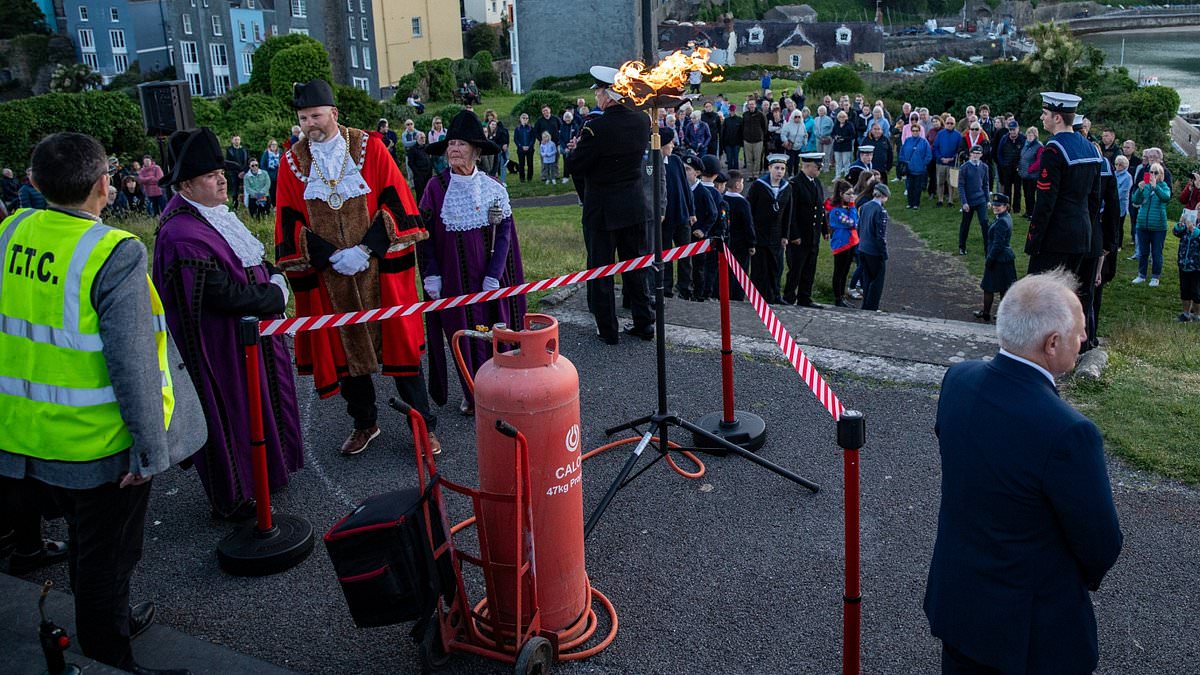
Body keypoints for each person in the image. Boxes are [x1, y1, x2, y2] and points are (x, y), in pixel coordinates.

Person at [0, 132, 188, 674]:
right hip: (95, 443)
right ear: (105, 185)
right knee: (108, 557)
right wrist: (150, 451)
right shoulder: (114, 252)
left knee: (85, 547)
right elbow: (132, 363)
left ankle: (108, 622)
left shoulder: (11, 228)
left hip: (25, 435)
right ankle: (110, 654)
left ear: (33, 182)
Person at [925, 269, 1123, 675]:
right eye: (1079, 332)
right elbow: (1101, 543)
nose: (1084, 339)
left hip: (959, 604)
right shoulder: (1069, 432)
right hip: (1029, 634)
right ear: (1052, 343)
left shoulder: (958, 380)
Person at [274, 79, 439, 455]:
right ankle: (365, 423)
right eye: (303, 118)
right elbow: (288, 218)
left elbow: (397, 200)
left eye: (316, 115)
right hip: (330, 274)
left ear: (333, 113)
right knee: (347, 355)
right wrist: (329, 256)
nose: (310, 124)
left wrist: (365, 250)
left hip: (377, 268)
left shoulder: (370, 147)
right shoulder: (291, 162)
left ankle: (422, 425)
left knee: (401, 353)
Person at [153, 127, 302, 519]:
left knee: (256, 409)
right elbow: (221, 296)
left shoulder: (212, 215)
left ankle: (264, 480)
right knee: (231, 416)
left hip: (246, 342)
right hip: (219, 353)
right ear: (186, 184)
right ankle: (237, 497)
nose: (222, 178)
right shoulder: (182, 233)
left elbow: (249, 260)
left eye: (221, 171)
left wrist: (271, 275)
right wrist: (276, 293)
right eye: (209, 175)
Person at [420, 110, 526, 414]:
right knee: (463, 334)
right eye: (450, 143)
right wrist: (432, 274)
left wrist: (495, 274)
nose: (453, 149)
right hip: (453, 279)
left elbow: (504, 232)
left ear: (476, 151)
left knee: (492, 330)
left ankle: (498, 388)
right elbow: (424, 235)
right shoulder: (435, 188)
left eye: (461, 144)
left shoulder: (493, 186)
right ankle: (473, 391)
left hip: (488, 278)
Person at [565, 65, 655, 345]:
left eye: (599, 92)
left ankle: (607, 329)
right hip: (633, 205)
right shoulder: (642, 121)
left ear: (608, 95)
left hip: (603, 210)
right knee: (636, 267)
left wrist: (575, 149)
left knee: (601, 271)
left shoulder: (596, 128)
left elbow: (576, 165)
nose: (596, 98)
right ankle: (644, 321)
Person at [1026, 92, 1101, 279]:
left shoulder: (1053, 149)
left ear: (1057, 117)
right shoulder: (1091, 148)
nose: (1042, 117)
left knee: (1041, 299)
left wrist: (1034, 240)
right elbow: (1094, 199)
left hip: (1056, 237)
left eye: (1045, 113)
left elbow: (1045, 201)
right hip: (1081, 235)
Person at [746, 154, 792, 304]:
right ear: (769, 168)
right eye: (776, 168)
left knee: (776, 267)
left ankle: (775, 295)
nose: (779, 171)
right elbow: (749, 209)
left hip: (777, 235)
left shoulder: (787, 187)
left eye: (782, 169)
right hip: (760, 233)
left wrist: (785, 235)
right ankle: (758, 296)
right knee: (760, 268)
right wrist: (751, 234)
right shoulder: (758, 186)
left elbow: (788, 213)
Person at [783, 153, 827, 307]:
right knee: (796, 268)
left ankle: (804, 297)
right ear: (807, 166)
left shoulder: (817, 183)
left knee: (809, 268)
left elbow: (820, 207)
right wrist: (793, 234)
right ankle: (789, 296)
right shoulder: (795, 184)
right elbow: (791, 212)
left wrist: (825, 229)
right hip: (800, 235)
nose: (819, 170)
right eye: (817, 167)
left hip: (812, 234)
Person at [659, 127, 695, 299]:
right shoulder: (654, 162)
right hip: (665, 218)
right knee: (665, 255)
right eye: (670, 142)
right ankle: (666, 287)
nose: (673, 145)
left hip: (681, 215)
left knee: (685, 255)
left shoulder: (676, 161)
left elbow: (686, 188)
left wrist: (691, 211)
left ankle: (685, 287)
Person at [974, 193, 1017, 322]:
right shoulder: (1004, 217)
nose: (995, 207)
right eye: (994, 205)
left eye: (999, 205)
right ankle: (1000, 313)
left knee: (989, 287)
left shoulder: (1002, 221)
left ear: (1006, 206)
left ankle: (988, 313)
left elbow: (998, 243)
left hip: (998, 258)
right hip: (1004, 258)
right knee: (1003, 287)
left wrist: (990, 258)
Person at [1130, 162, 1171, 287]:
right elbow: (1135, 201)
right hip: (1142, 224)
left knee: (1156, 253)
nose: (1153, 174)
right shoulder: (1145, 186)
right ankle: (1141, 275)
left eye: (1156, 172)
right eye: (1151, 172)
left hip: (1158, 226)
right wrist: (1139, 189)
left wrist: (1155, 187)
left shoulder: (1164, 186)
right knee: (1143, 252)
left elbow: (1166, 198)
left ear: (1161, 175)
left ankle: (1155, 277)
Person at [722, 170, 756, 301]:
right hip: (741, 244)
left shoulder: (723, 198)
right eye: (742, 182)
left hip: (727, 241)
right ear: (737, 184)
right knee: (740, 272)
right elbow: (748, 224)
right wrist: (751, 243)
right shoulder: (743, 203)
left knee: (727, 270)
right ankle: (737, 296)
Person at [857, 183, 890, 311]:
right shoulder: (881, 211)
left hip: (863, 247)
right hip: (874, 251)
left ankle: (866, 305)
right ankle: (872, 307)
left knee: (867, 278)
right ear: (884, 196)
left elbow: (859, 227)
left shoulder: (865, 207)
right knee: (877, 280)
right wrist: (883, 252)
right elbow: (880, 235)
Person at [827, 179, 859, 308]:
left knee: (845, 271)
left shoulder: (847, 208)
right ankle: (837, 297)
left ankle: (842, 296)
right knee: (839, 271)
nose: (852, 197)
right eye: (848, 194)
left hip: (850, 242)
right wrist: (852, 206)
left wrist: (852, 207)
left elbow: (856, 220)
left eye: (852, 194)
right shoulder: (836, 211)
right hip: (842, 243)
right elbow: (851, 222)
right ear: (841, 194)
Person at [957, 145, 990, 255]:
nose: (976, 155)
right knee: (965, 224)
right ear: (970, 154)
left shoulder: (984, 167)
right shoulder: (964, 167)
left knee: (985, 223)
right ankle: (962, 247)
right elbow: (961, 186)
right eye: (974, 153)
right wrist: (964, 202)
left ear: (981, 155)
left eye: (978, 153)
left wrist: (988, 200)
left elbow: (986, 185)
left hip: (981, 200)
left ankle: (988, 249)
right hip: (969, 201)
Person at [1173, 210, 1200, 321]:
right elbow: (1176, 233)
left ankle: (1197, 315)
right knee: (1184, 290)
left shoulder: (1194, 227)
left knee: (1196, 291)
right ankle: (1186, 314)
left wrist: (1193, 229)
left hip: (1197, 266)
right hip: (1184, 263)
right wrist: (1180, 225)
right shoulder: (1188, 224)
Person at [898, 123, 932, 209]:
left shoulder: (924, 142)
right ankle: (910, 203)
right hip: (909, 169)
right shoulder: (907, 140)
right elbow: (902, 153)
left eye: (917, 131)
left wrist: (922, 164)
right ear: (911, 131)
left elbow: (928, 155)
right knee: (909, 187)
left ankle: (916, 203)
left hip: (919, 169)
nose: (915, 132)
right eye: (913, 131)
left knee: (917, 187)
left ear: (919, 131)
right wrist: (904, 162)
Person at [1017, 126, 1043, 219]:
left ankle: (1032, 213)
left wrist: (1031, 168)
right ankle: (1027, 212)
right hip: (1024, 174)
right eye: (1028, 134)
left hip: (1033, 175)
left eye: (1031, 134)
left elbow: (1039, 160)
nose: (1029, 136)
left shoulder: (1039, 146)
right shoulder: (1026, 144)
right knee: (1026, 194)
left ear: (1035, 136)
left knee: (1030, 195)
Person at [741, 98, 769, 177]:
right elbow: (742, 127)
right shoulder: (745, 115)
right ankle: (750, 175)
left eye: (753, 104)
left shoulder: (761, 115)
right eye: (750, 104)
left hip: (758, 140)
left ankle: (756, 175)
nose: (751, 106)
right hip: (747, 140)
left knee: (757, 159)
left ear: (755, 105)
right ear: (748, 106)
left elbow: (765, 127)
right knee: (749, 160)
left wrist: (761, 135)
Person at [224, 135, 249, 209]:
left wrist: (244, 171)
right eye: (235, 140)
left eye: (238, 139)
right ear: (232, 141)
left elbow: (248, 161)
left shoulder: (244, 150)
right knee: (235, 190)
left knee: (246, 189)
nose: (237, 141)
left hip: (244, 172)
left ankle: (246, 205)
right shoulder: (229, 150)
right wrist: (237, 172)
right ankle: (235, 206)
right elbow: (229, 163)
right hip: (234, 173)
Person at [407, 132, 433, 201]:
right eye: (421, 137)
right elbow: (410, 163)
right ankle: (420, 209)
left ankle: (428, 208)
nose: (423, 139)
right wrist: (417, 173)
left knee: (428, 192)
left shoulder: (427, 147)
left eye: (424, 137)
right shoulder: (412, 149)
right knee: (420, 193)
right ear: (416, 138)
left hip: (428, 173)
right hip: (419, 175)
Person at [831, 110, 856, 178]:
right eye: (840, 117)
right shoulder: (836, 125)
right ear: (838, 118)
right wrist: (835, 137)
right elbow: (832, 134)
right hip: (837, 146)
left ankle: (847, 175)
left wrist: (844, 138)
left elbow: (853, 135)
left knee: (846, 162)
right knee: (838, 162)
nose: (842, 118)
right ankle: (837, 176)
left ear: (846, 117)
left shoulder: (850, 125)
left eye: (843, 117)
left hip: (846, 146)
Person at [513, 112, 535, 183]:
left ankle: (529, 178)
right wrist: (521, 146)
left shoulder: (531, 128)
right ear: (520, 119)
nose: (525, 119)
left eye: (526, 118)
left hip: (530, 149)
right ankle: (522, 178)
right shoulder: (517, 129)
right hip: (520, 149)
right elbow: (516, 139)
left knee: (530, 164)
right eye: (523, 118)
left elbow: (533, 138)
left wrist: (529, 146)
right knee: (521, 164)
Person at [260, 138, 282, 207]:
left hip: (279, 175)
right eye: (272, 144)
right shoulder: (266, 154)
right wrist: (266, 175)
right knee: (272, 191)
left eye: (275, 144)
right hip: (269, 175)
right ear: (269, 146)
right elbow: (263, 165)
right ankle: (273, 205)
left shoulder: (280, 153)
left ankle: (279, 205)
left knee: (279, 191)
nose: (274, 146)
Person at [720, 104, 742, 169]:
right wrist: (723, 142)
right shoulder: (726, 120)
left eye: (733, 110)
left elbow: (741, 131)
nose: (732, 112)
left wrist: (741, 142)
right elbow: (723, 132)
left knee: (736, 158)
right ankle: (730, 173)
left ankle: (736, 173)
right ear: (729, 111)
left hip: (737, 142)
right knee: (729, 159)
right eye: (731, 110)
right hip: (728, 143)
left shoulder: (739, 119)